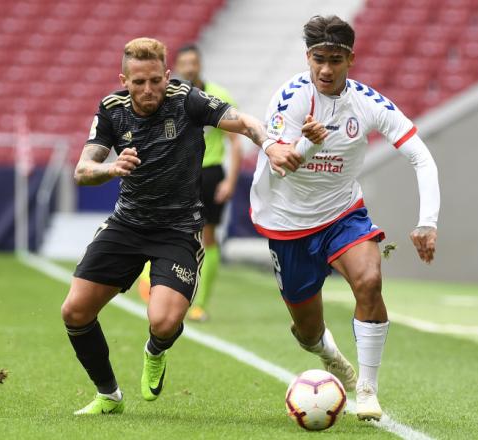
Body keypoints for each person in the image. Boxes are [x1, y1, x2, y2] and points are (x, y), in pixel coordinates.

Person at [61, 37, 293, 415]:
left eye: (156, 80)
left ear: (167, 75)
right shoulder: (111, 109)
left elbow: (245, 121)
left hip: (178, 229)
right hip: (128, 224)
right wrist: (111, 167)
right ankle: (108, 395)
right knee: (74, 311)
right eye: (139, 82)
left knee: (164, 322)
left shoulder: (187, 100)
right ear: (124, 79)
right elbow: (83, 171)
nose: (149, 89)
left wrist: (268, 144)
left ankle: (155, 350)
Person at [250, 15, 440, 421]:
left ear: (350, 59)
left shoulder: (369, 104)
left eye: (335, 59)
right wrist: (310, 143)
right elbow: (284, 164)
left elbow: (420, 155)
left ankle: (368, 391)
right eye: (318, 58)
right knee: (306, 332)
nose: (325, 69)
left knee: (370, 281)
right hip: (288, 223)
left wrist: (428, 221)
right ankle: (328, 353)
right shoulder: (291, 98)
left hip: (342, 213)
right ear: (308, 57)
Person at [173, 44, 243, 322]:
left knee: (208, 238)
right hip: (180, 174)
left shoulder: (219, 96)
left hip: (210, 173)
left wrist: (231, 181)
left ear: (200, 64)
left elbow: (236, 142)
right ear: (178, 67)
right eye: (185, 63)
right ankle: (163, 289)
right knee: (174, 234)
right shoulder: (171, 96)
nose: (190, 67)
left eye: (194, 62)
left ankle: (200, 303)